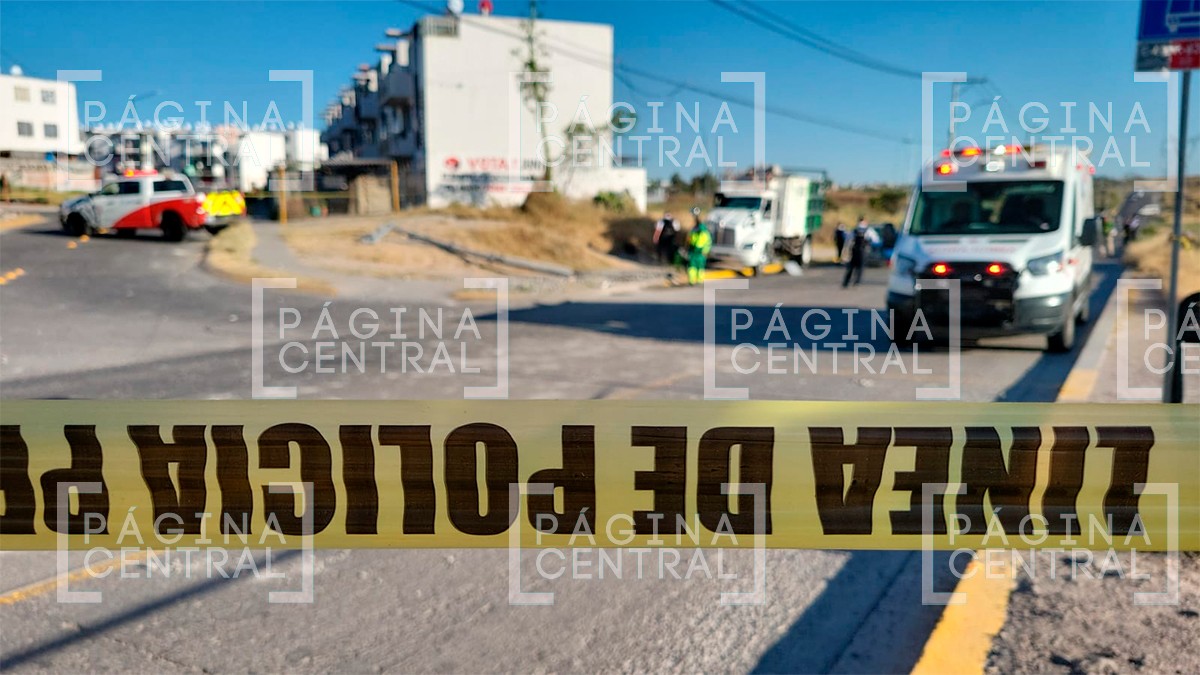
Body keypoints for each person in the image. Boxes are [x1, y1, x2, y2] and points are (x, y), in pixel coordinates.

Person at [842, 217, 876, 288]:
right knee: (860, 268)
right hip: (863, 251)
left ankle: (846, 282)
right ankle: (856, 282)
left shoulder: (854, 230)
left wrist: (846, 250)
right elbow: (875, 240)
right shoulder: (868, 230)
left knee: (851, 267)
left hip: (854, 250)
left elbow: (848, 239)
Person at [686, 218, 713, 285]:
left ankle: (696, 280)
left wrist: (705, 251)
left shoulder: (699, 232)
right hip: (695, 252)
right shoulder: (703, 233)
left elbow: (707, 243)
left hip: (699, 252)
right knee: (694, 267)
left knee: (697, 267)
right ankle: (696, 280)